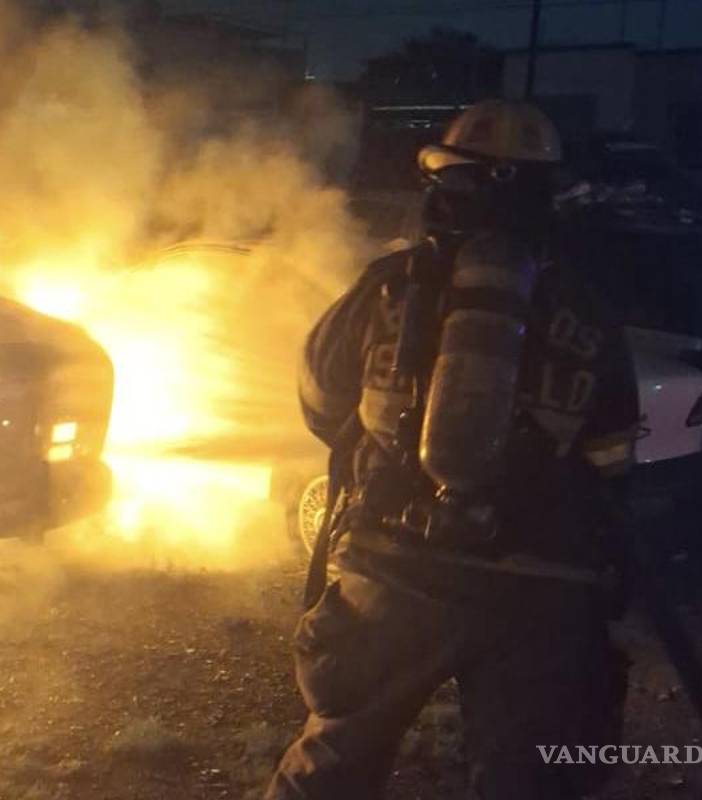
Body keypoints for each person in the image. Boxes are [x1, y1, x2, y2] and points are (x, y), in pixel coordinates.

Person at [266, 100, 640, 800]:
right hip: (540, 586)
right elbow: (612, 457)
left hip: (392, 569)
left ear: (450, 184)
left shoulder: (388, 286)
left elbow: (319, 399)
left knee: (336, 759)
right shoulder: (587, 311)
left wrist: (388, 443)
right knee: (527, 783)